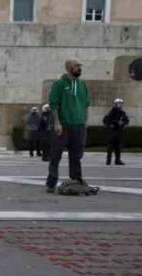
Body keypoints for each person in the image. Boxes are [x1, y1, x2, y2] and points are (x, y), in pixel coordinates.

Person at [45, 60, 89, 193]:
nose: (80, 68)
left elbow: (86, 104)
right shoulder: (59, 84)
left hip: (79, 126)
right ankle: (51, 182)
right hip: (63, 125)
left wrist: (85, 121)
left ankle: (76, 180)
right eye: (77, 66)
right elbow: (54, 104)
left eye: (80, 66)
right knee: (55, 155)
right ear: (70, 68)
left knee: (76, 155)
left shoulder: (82, 84)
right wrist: (57, 123)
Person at [102, 98, 128, 166]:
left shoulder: (122, 113)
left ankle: (117, 160)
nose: (120, 105)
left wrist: (122, 123)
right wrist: (112, 124)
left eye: (121, 103)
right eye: (118, 103)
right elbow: (105, 120)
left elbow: (126, 120)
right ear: (115, 104)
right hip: (112, 132)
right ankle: (108, 160)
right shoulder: (111, 112)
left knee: (118, 147)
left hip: (119, 132)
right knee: (110, 147)